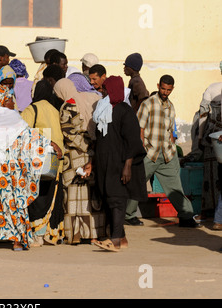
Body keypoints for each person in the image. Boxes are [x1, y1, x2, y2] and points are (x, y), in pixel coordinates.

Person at [0, 87, 62, 251]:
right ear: (4, 100)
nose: (13, 102)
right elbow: (31, 136)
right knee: (16, 203)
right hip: (14, 170)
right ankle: (16, 241)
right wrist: (50, 144)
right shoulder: (14, 117)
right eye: (10, 99)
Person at [125, 75, 201, 228]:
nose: (165, 92)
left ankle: (186, 216)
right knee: (138, 184)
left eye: (168, 90)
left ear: (172, 89)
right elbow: (139, 128)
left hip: (167, 154)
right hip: (149, 153)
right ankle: (128, 215)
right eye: (163, 88)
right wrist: (143, 148)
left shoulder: (171, 106)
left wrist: (172, 146)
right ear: (158, 85)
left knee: (175, 188)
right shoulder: (148, 104)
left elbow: (170, 129)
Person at [89, 76, 148, 251]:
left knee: (117, 200)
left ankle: (114, 240)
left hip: (119, 163)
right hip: (104, 163)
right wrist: (92, 162)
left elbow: (132, 140)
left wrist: (128, 166)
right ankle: (121, 238)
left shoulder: (125, 111)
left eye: (106, 90)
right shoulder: (103, 111)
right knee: (107, 198)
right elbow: (99, 140)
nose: (103, 92)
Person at [53, 77, 105, 245]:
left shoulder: (67, 106)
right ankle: (93, 234)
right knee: (90, 197)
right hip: (92, 156)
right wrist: (91, 147)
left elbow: (68, 132)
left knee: (74, 197)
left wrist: (83, 146)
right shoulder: (90, 100)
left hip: (74, 158)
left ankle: (74, 234)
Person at [21, 79, 65, 246]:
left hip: (39, 162)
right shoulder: (55, 110)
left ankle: (37, 235)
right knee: (51, 197)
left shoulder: (31, 110)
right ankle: (50, 235)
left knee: (37, 198)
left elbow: (24, 133)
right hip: (56, 163)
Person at [197, 80, 222, 223]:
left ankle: (208, 211)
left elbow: (203, 115)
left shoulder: (211, 88)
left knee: (210, 176)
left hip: (210, 138)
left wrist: (200, 137)